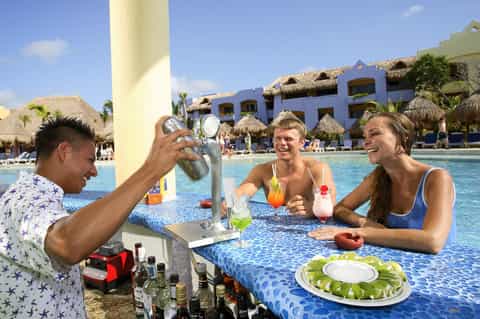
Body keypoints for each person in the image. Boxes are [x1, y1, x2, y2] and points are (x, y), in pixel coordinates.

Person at [0, 117, 199, 318]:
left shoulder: (38, 196)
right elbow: (66, 243)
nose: (94, 171)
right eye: (90, 160)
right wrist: (151, 170)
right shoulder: (24, 198)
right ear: (64, 151)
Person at [308, 112, 456, 254]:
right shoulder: (379, 177)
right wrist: (366, 223)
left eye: (374, 133)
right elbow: (340, 209)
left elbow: (433, 241)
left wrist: (358, 232)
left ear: (402, 137)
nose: (366, 142)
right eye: (365, 136)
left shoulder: (437, 178)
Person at [229, 117, 336, 216]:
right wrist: (228, 204)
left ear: (302, 143)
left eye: (288, 139)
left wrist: (312, 208)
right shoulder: (263, 171)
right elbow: (241, 195)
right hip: (275, 231)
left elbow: (329, 201)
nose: (282, 143)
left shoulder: (317, 169)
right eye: (277, 138)